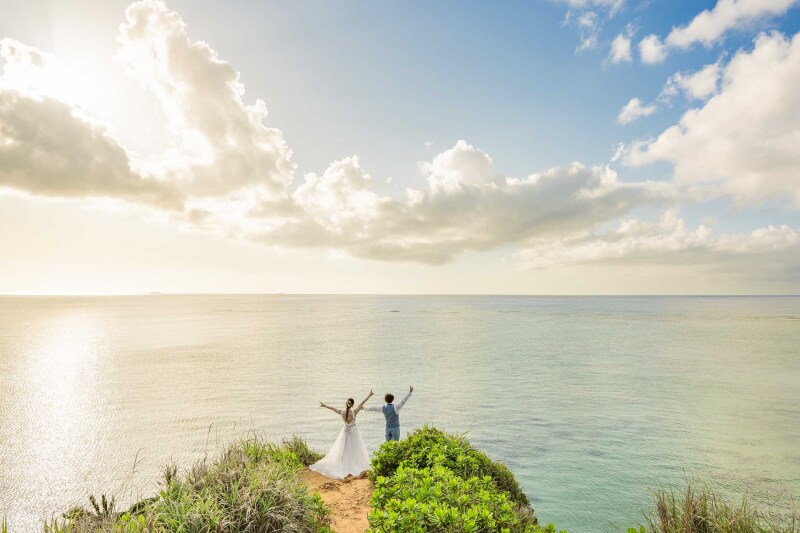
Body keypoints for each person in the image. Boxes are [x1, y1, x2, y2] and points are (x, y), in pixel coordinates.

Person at [310, 390, 374, 479]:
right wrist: (369, 395)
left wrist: (324, 405)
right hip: (354, 432)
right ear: (352, 405)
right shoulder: (354, 412)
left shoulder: (342, 412)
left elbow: (333, 408)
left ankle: (343, 462)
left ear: (346, 404)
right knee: (355, 448)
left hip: (344, 432)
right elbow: (363, 402)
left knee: (344, 447)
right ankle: (354, 463)